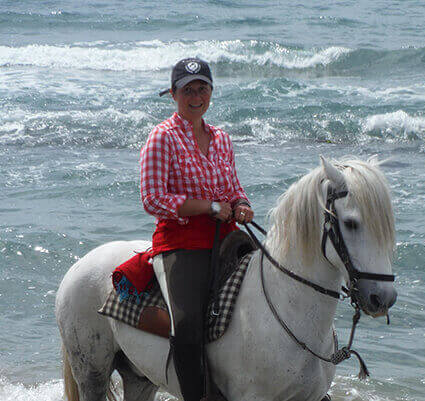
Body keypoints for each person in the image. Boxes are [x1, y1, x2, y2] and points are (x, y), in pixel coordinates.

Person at [139, 57, 253, 401]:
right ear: (174, 94)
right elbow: (153, 198)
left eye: (202, 88)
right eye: (188, 90)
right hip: (183, 241)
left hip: (228, 236)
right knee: (188, 325)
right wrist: (209, 207)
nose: (196, 96)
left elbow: (233, 188)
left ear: (211, 92)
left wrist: (243, 206)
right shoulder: (162, 137)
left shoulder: (222, 139)